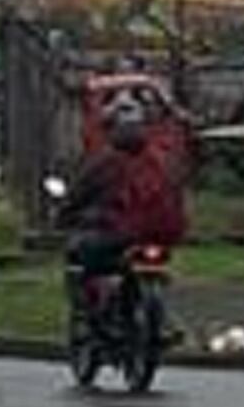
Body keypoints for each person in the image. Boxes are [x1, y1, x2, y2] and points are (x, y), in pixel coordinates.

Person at [62, 88, 192, 319]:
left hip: (123, 233)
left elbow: (77, 196)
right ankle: (159, 318)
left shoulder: (104, 162)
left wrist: (64, 214)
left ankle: (91, 311)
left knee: (79, 252)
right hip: (166, 233)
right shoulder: (162, 158)